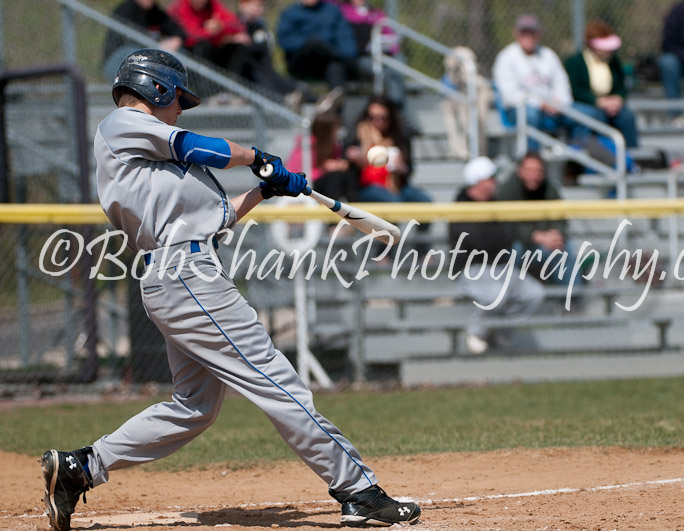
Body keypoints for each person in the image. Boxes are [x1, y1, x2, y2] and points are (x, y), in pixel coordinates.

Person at [38, 48, 420, 531]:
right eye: (177, 99)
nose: (179, 108)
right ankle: (358, 490)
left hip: (180, 275)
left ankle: (78, 470)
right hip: (186, 277)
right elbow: (199, 146)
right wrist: (257, 157)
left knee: (194, 407)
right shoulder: (122, 125)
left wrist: (267, 188)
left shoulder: (154, 161)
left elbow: (215, 218)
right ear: (154, 88)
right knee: (277, 380)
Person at [449, 156, 546, 354]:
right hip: (472, 269)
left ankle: (501, 330)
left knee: (534, 294)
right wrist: (497, 237)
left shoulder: (497, 203)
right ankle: (475, 332)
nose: (495, 182)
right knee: (496, 294)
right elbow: (480, 243)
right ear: (479, 181)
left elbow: (509, 236)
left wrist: (497, 237)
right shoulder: (461, 207)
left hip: (501, 266)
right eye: (491, 178)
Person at [492, 14, 587, 152]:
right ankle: (533, 162)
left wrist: (560, 102)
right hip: (520, 109)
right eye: (524, 32)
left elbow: (562, 84)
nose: (528, 36)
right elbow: (510, 96)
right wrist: (541, 104)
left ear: (539, 34)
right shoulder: (506, 57)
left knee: (585, 114)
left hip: (553, 106)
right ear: (516, 34)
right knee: (531, 115)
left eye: (532, 32)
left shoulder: (548, 55)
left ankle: (574, 163)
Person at [497, 152, 582, 289]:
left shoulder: (549, 188)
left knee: (563, 247)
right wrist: (535, 236)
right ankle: (508, 295)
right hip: (518, 245)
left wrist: (555, 234)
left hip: (545, 242)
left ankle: (573, 300)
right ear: (520, 171)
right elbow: (507, 227)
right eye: (529, 170)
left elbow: (560, 218)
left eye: (538, 171)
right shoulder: (507, 190)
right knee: (514, 250)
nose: (533, 175)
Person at [564, 20, 638, 148]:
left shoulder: (614, 62)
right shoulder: (574, 62)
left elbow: (620, 86)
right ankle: (604, 155)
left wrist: (617, 99)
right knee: (597, 115)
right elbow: (576, 90)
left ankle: (630, 157)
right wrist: (598, 101)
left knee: (627, 117)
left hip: (611, 105)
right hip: (589, 104)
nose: (608, 51)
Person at [345, 95, 431, 203]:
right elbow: (344, 164)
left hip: (395, 187)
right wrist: (353, 159)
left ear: (391, 118)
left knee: (424, 201)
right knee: (392, 200)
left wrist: (402, 168)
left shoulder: (399, 137)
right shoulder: (358, 135)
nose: (378, 122)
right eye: (373, 117)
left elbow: (409, 169)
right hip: (366, 188)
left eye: (383, 118)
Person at [332, 0, 406, 106]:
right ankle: (396, 107)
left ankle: (396, 107)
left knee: (398, 63)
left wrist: (390, 46)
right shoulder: (341, 11)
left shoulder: (376, 13)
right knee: (388, 74)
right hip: (359, 58)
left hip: (381, 55)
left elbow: (390, 36)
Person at [236, 0, 308, 104]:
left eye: (260, 5)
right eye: (253, 5)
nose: (256, 8)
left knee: (292, 87)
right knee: (271, 90)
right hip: (250, 76)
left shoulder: (260, 26)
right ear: (242, 5)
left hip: (266, 72)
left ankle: (316, 100)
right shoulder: (235, 24)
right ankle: (287, 101)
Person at [167, 0, 254, 85]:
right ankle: (204, 90)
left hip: (213, 51)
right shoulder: (181, 6)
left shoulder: (213, 4)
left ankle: (231, 88)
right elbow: (189, 35)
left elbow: (235, 24)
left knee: (240, 45)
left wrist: (221, 26)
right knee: (203, 45)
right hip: (190, 55)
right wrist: (215, 33)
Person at [276, 0, 358, 90]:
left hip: (328, 60)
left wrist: (347, 56)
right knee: (314, 43)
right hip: (303, 61)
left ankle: (335, 97)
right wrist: (312, 44)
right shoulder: (290, 13)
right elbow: (285, 40)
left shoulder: (333, 11)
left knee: (336, 67)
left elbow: (345, 37)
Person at [102, 0, 185, 82]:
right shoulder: (126, 10)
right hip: (118, 62)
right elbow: (133, 40)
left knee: (179, 52)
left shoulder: (155, 13)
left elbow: (177, 30)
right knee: (133, 51)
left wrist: (177, 39)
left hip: (146, 62)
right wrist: (159, 47)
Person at [286, 111, 359, 201]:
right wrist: (323, 169)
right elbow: (296, 174)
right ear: (327, 130)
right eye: (336, 129)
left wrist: (340, 164)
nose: (339, 132)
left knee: (346, 173)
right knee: (335, 177)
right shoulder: (306, 144)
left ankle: (353, 204)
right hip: (306, 186)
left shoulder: (335, 145)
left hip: (326, 184)